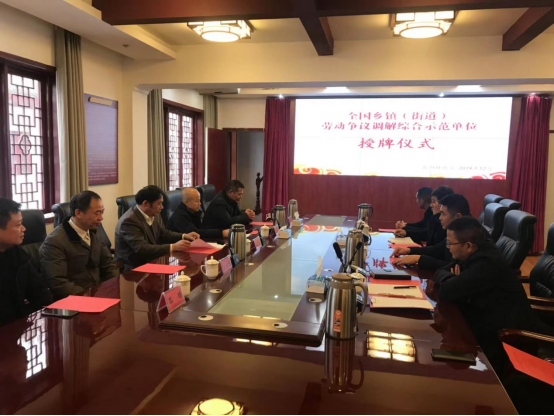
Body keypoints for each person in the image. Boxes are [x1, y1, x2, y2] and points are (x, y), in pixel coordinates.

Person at [433, 217, 544, 373]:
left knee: (453, 352)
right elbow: (440, 271)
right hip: (487, 319)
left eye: (450, 243)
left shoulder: (486, 262)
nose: (448, 247)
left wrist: (453, 280)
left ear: (468, 246)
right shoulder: (474, 253)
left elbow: (446, 291)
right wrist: (453, 278)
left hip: (506, 337)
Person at [40, 191, 120, 300]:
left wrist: (114, 286)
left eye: (102, 212)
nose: (101, 218)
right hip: (75, 301)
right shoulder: (55, 242)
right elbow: (58, 283)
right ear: (78, 213)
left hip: (99, 293)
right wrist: (87, 298)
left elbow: (108, 264)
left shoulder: (94, 231)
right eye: (97, 213)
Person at [115, 185, 199, 270]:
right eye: (159, 203)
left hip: (152, 262)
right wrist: (173, 247)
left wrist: (184, 236)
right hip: (133, 269)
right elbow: (142, 249)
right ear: (146, 204)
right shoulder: (129, 221)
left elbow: (163, 233)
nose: (162, 207)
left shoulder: (149, 213)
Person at [0, 198, 52, 327]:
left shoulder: (16, 253)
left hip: (20, 326)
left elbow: (40, 293)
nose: (24, 229)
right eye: (18, 225)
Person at [391, 193, 470, 269]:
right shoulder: (456, 231)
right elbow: (438, 249)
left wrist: (419, 259)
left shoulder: (468, 236)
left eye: (443, 214)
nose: (440, 218)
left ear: (457, 217)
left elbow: (451, 266)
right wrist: (409, 250)